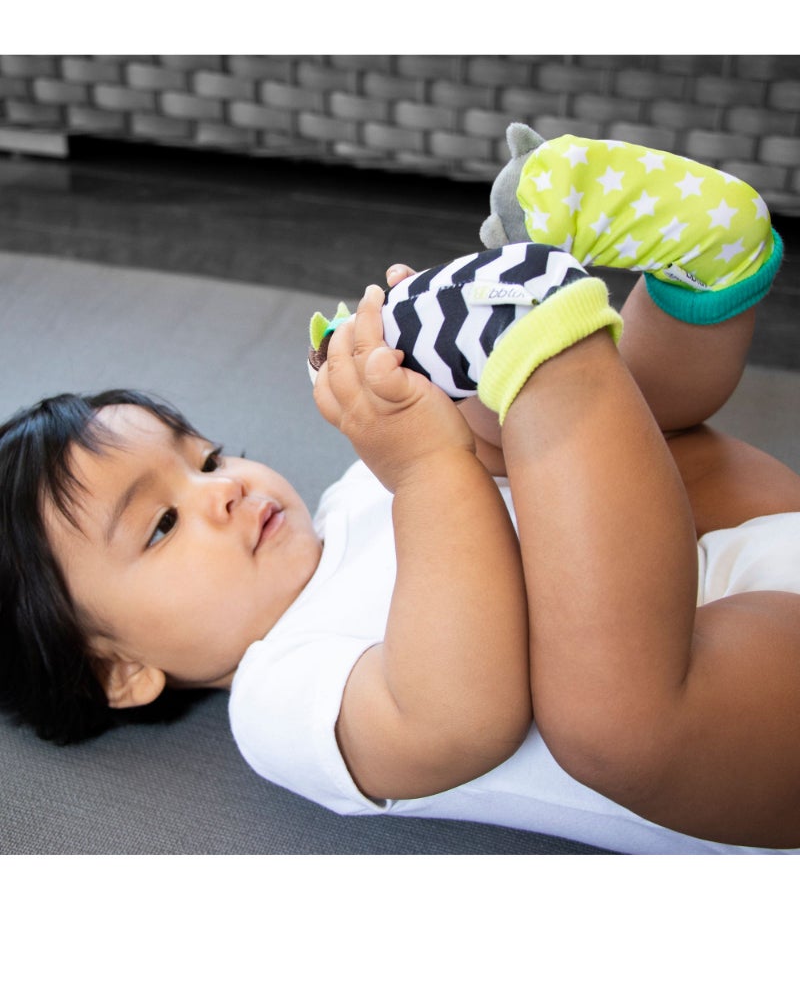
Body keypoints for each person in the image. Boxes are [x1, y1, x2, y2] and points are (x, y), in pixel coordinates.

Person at [1, 149, 799, 854]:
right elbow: (462, 714)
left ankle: (700, 276)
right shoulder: (278, 697)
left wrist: (428, 374)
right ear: (121, 671)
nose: (225, 488)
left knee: (594, 424)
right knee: (609, 723)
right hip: (731, 703)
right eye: (162, 524)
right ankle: (548, 326)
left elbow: (513, 466)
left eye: (206, 457)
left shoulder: (357, 491)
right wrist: (425, 466)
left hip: (723, 528)